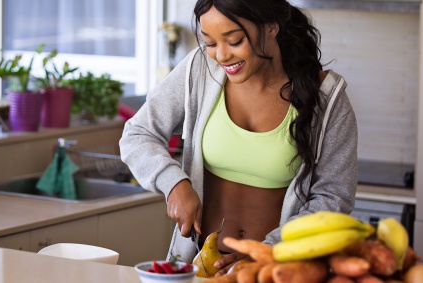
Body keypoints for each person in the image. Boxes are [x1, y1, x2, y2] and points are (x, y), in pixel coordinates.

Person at [119, 0, 358, 277]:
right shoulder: (199, 69)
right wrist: (174, 183)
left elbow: (334, 198)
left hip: (277, 270)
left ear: (271, 28)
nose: (221, 56)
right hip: (202, 267)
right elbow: (138, 133)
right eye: (210, 43)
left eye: (234, 41)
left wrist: (267, 251)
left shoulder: (326, 97)